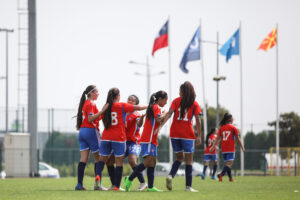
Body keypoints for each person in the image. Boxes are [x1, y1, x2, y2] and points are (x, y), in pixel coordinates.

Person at [94, 88, 147, 191]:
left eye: (133, 100)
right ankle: (116, 186)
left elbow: (139, 124)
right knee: (116, 162)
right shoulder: (122, 107)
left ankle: (98, 178)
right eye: (129, 99)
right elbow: (140, 107)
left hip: (127, 141)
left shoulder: (107, 106)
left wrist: (141, 119)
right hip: (119, 139)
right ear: (118, 96)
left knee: (104, 160)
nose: (130, 101)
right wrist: (149, 106)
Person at [155, 81, 202, 192]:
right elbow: (198, 120)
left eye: (180, 90)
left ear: (183, 91)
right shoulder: (194, 104)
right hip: (187, 135)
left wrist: (160, 127)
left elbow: (168, 114)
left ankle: (171, 175)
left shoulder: (176, 101)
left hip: (175, 134)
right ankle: (188, 187)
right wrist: (199, 135)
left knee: (179, 158)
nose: (178, 92)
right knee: (189, 161)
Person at [124, 91, 168, 192]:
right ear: (160, 99)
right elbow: (158, 119)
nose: (166, 102)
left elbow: (157, 121)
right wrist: (165, 113)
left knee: (153, 162)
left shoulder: (154, 107)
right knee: (148, 162)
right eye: (165, 100)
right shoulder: (156, 107)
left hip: (151, 139)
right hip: (148, 139)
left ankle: (151, 187)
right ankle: (129, 179)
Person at [75, 85, 108, 190]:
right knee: (99, 158)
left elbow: (96, 116)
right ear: (91, 93)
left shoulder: (86, 103)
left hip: (82, 132)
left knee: (83, 159)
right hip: (91, 131)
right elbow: (90, 119)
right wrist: (102, 111)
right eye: (97, 92)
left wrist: (104, 112)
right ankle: (97, 185)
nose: (98, 94)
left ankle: (79, 185)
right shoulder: (91, 103)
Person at [210, 113, 245, 182]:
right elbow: (238, 139)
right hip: (230, 148)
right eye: (232, 118)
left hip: (223, 149)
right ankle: (221, 174)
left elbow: (217, 139)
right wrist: (242, 147)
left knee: (228, 164)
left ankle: (230, 178)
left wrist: (213, 147)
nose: (233, 119)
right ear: (230, 119)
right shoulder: (234, 128)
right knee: (229, 164)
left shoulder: (221, 128)